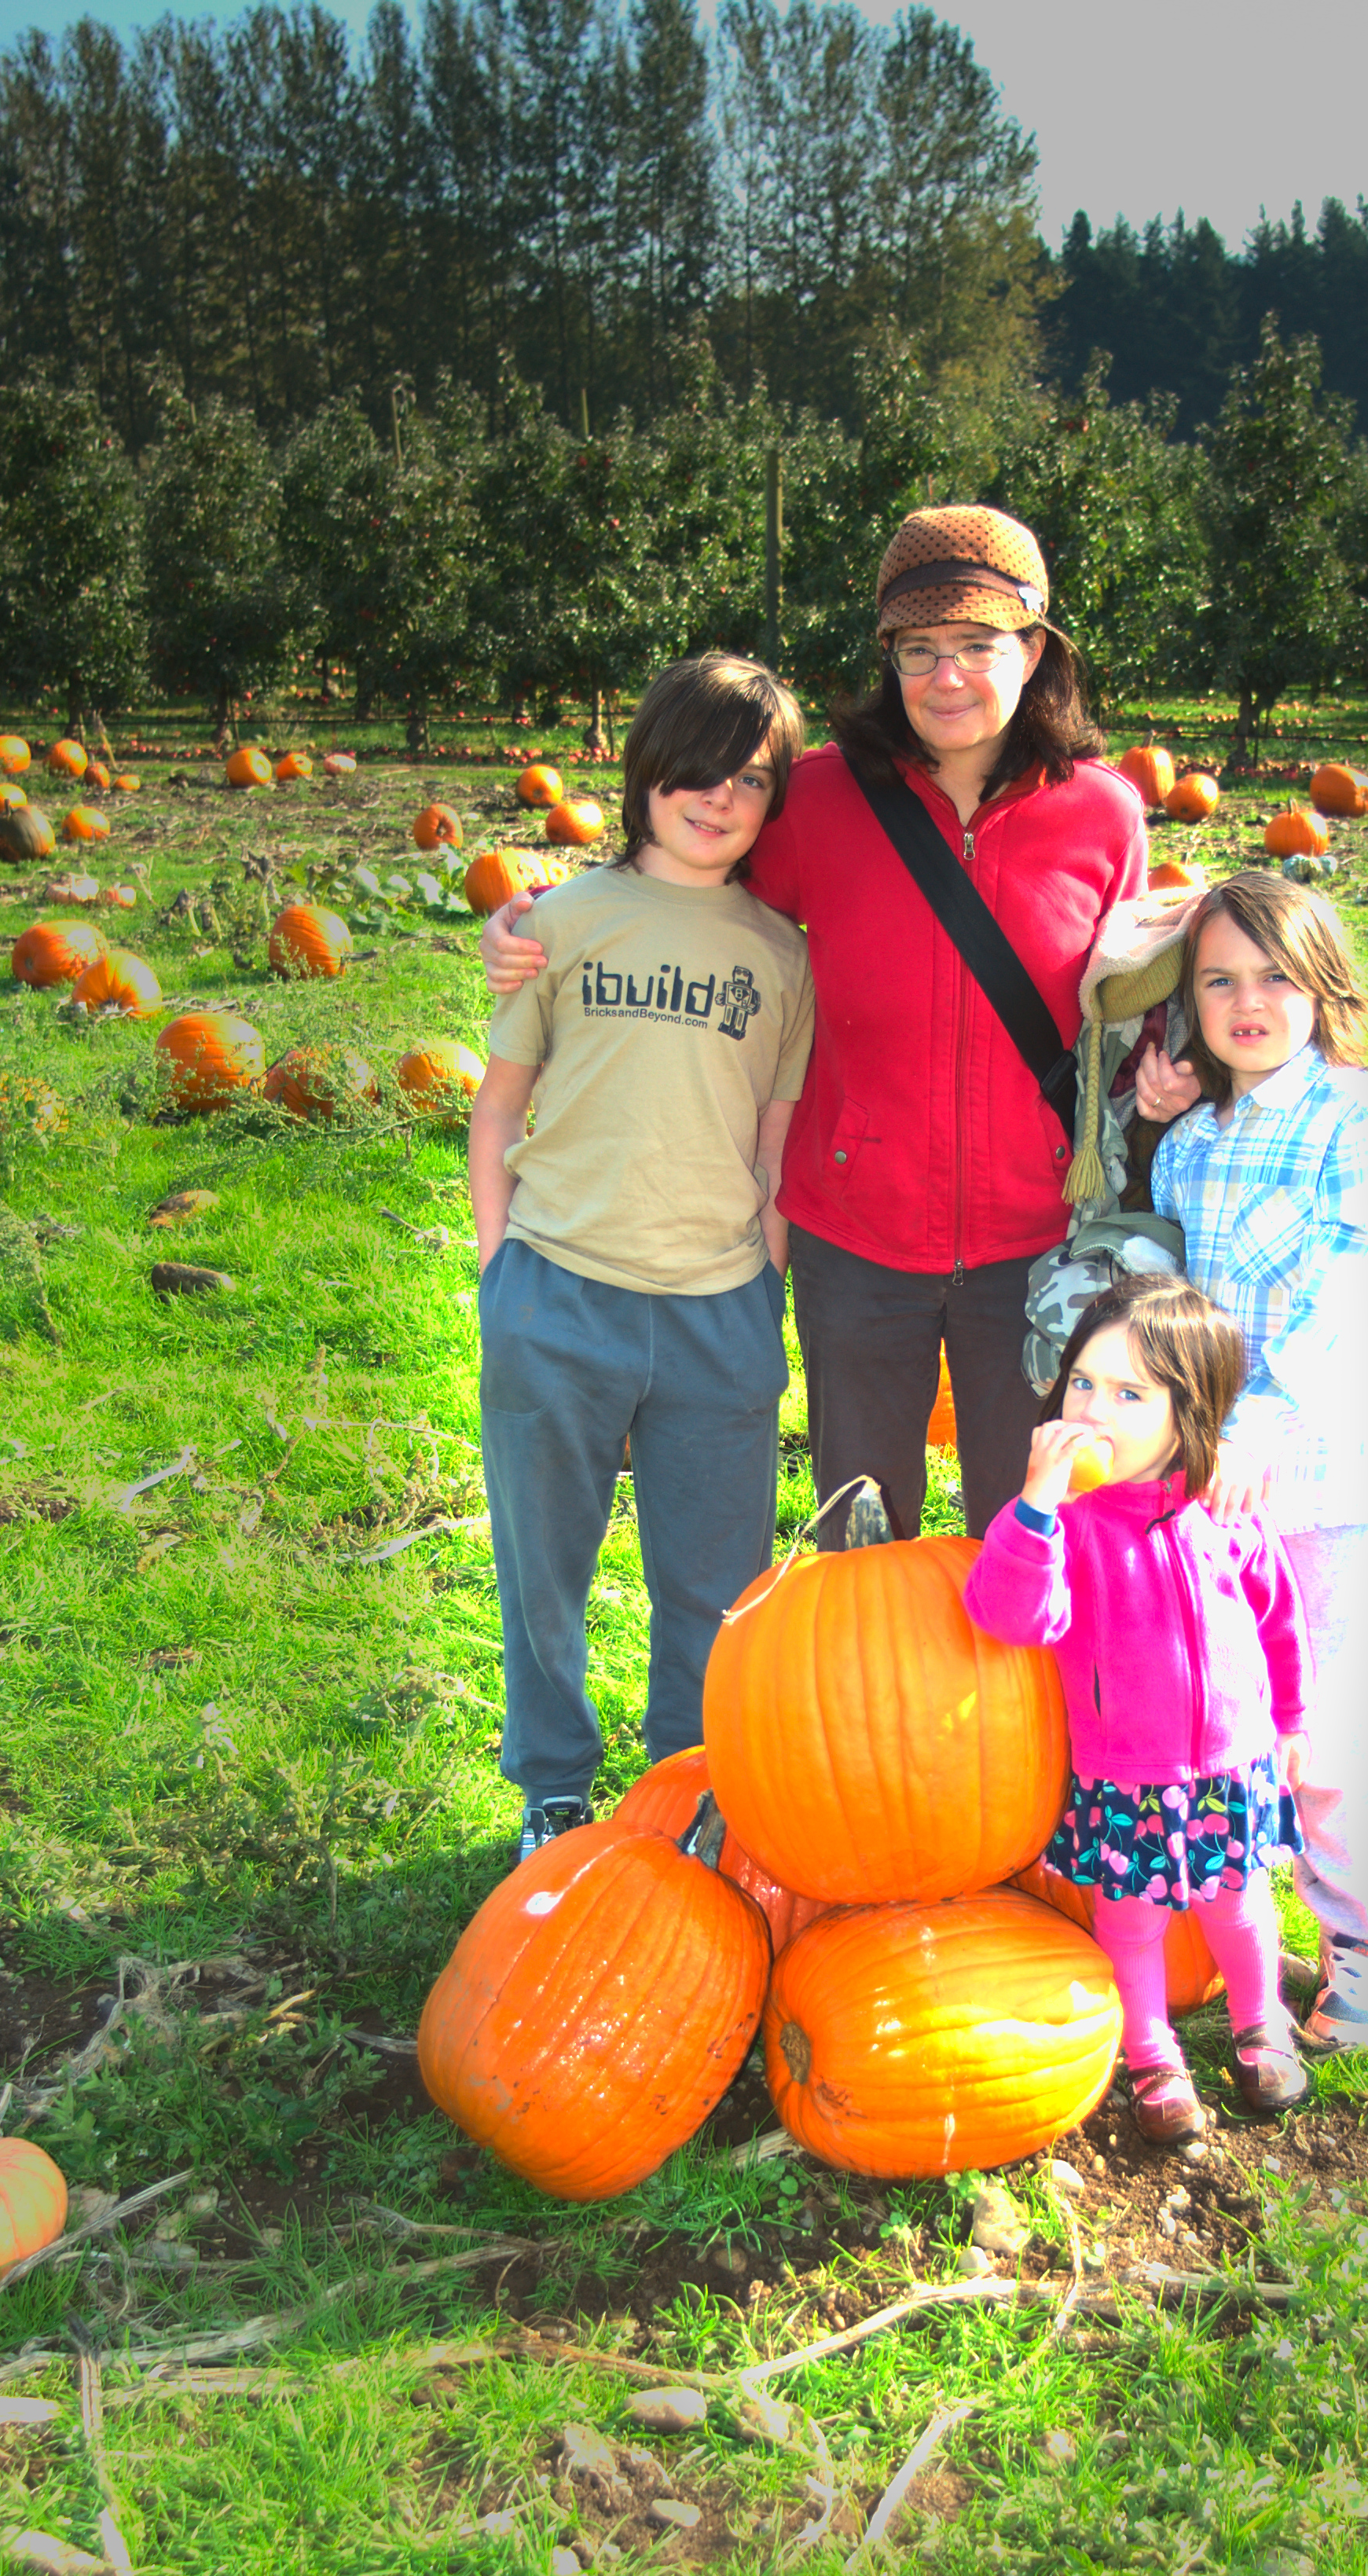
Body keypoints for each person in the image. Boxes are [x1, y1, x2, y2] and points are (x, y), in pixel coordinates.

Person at [479, 505, 1147, 1546]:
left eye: (977, 645)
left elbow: (1128, 996)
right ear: (889, 659)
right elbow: (676, 881)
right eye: (918, 649)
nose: (947, 676)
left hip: (1035, 1245)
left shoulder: (1102, 813)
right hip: (856, 1241)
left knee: (1033, 1532)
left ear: (1033, 650)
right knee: (861, 1534)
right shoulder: (823, 800)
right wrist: (538, 920)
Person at [467, 652, 812, 1857]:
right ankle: (553, 1783)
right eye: (698, 770)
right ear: (646, 771)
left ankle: (687, 1788)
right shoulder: (558, 923)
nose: (719, 798)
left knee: (715, 1587)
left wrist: (764, 1296)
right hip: (557, 1292)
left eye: (751, 781)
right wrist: (500, 1277)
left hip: (718, 1309)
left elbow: (773, 1145)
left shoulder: (782, 953)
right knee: (544, 1566)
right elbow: (499, 1111)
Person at [1098, 868, 1368, 2049]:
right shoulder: (1192, 1144)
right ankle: (1251, 1923)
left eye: (1275, 976)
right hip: (1211, 1489)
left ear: (1323, 984)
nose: (1247, 1002)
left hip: (1319, 1473)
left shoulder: (1360, 1122)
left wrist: (1259, 1425)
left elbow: (1349, 1297)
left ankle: (1362, 1948)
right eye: (1219, 980)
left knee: (1325, 1724)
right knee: (1236, 1711)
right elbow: (1174, 1303)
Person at [965, 1273, 1313, 2134]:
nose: (1094, 1409)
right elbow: (1010, 1616)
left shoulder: (1224, 1506)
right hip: (1125, 1774)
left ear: (1188, 1411)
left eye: (1129, 1393)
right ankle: (1154, 2056)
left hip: (1231, 1763)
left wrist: (1294, 1720)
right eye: (1083, 1381)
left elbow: (1279, 1616)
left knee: (1239, 1903)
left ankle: (1260, 2025)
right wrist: (1036, 1507)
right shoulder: (1070, 1523)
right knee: (1132, 1921)